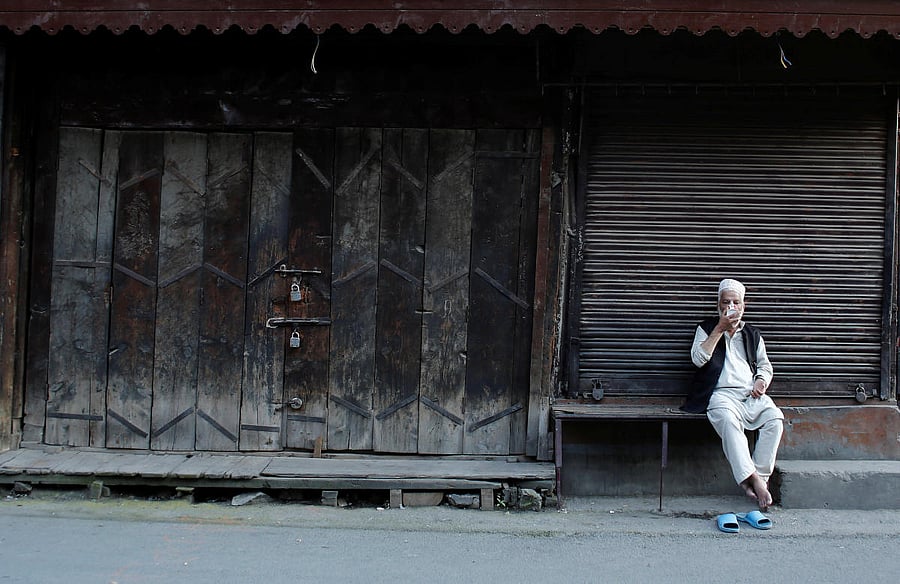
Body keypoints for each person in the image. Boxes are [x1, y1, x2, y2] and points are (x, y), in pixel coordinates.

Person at [682, 278, 784, 511]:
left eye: (736, 302)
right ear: (718, 305)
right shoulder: (706, 328)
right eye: (726, 302)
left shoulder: (752, 334)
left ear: (743, 305)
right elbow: (698, 360)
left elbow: (765, 366)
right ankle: (756, 482)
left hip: (750, 396)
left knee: (775, 419)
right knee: (728, 422)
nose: (731, 306)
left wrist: (761, 380)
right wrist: (719, 328)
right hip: (719, 395)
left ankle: (759, 478)